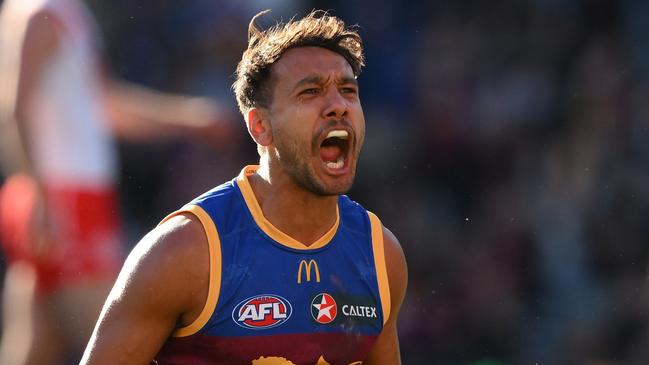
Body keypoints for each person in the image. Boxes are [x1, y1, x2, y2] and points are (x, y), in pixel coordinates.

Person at [80, 9, 408, 365]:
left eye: (348, 91)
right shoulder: (185, 252)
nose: (338, 107)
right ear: (259, 127)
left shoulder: (380, 255)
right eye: (311, 91)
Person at [0, 0, 234, 364]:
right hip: (65, 200)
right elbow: (15, 109)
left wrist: (190, 120)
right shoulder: (43, 12)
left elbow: (104, 107)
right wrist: (40, 195)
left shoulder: (59, 12)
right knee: (118, 344)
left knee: (35, 346)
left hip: (59, 197)